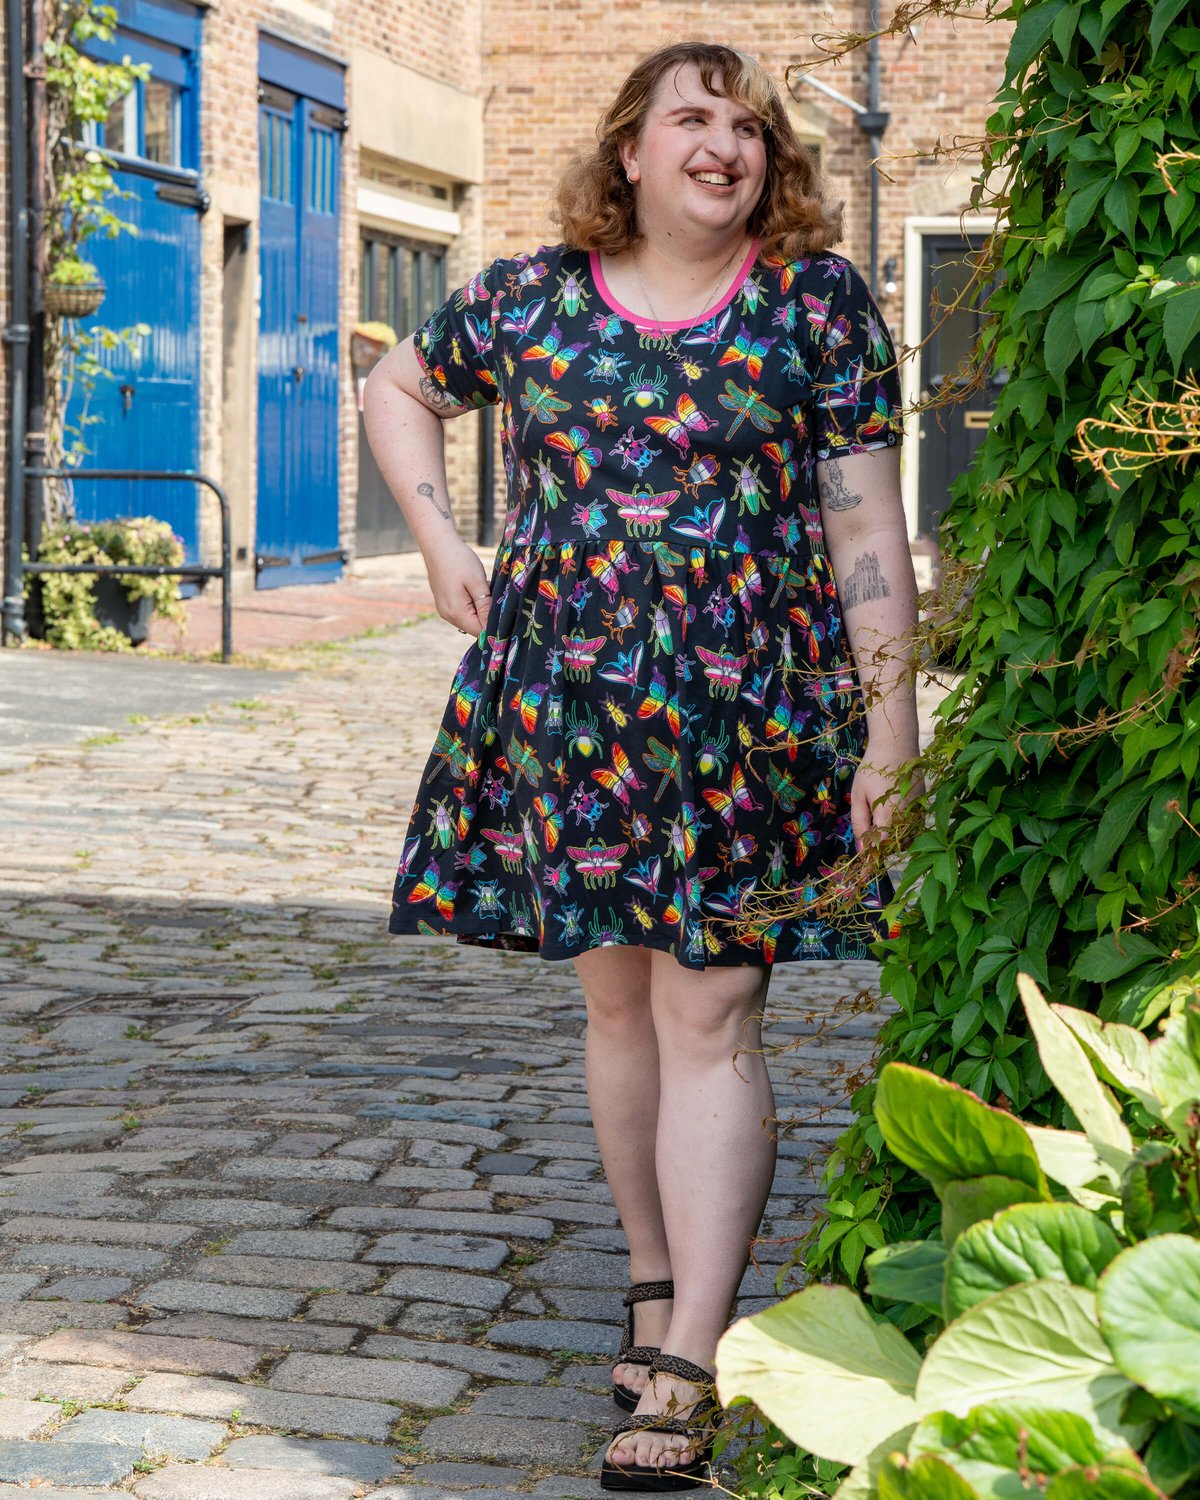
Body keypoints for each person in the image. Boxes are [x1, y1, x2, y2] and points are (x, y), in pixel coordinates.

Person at [363, 40, 919, 1492]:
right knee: (617, 1004)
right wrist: (439, 538)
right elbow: (395, 385)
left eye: (747, 127)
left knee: (710, 1009)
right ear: (629, 148)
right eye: (691, 119)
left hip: (751, 721)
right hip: (571, 710)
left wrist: (891, 727)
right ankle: (655, 1283)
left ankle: (691, 1360)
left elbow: (866, 528)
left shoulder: (814, 305)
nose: (722, 146)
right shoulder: (531, 299)